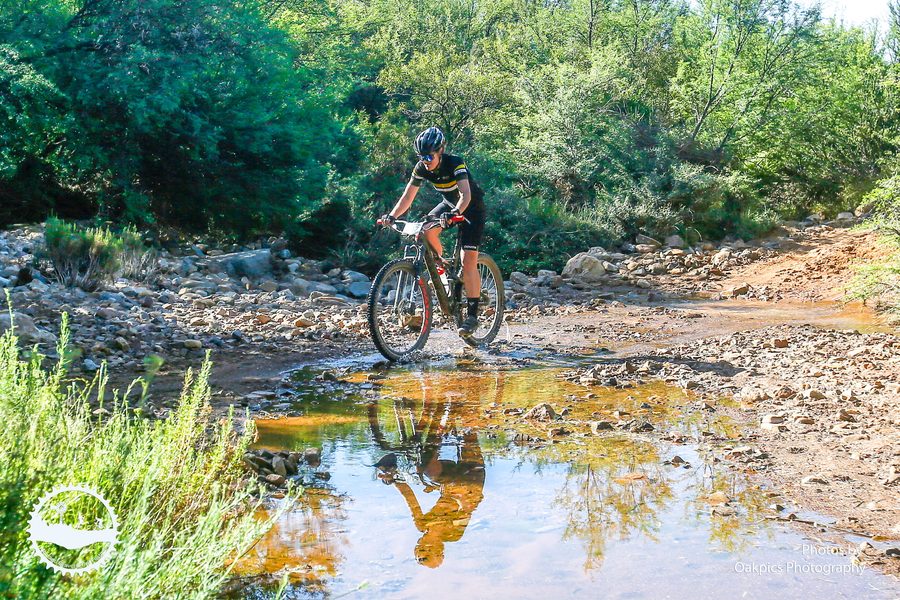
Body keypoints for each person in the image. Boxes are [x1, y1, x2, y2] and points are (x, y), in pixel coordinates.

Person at [380, 127, 486, 337]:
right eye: (421, 157)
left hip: (472, 208)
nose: (425, 161)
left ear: (440, 151)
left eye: (429, 156)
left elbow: (465, 194)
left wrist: (455, 213)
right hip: (449, 205)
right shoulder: (422, 168)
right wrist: (392, 216)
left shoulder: (455, 163)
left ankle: (472, 316)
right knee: (425, 231)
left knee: (468, 260)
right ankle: (442, 266)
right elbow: (408, 197)